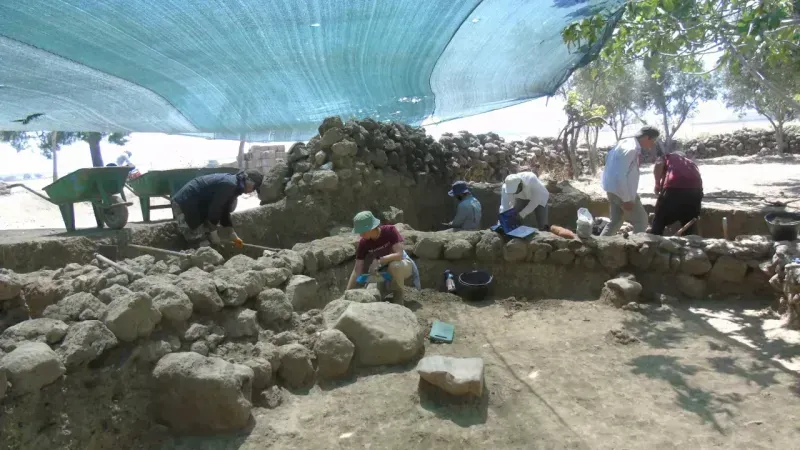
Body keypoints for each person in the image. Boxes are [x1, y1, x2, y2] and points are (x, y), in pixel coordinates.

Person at [171, 169, 263, 248]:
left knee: (207, 239)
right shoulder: (230, 185)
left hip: (196, 205)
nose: (253, 191)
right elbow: (215, 210)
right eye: (254, 188)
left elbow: (224, 210)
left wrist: (232, 233)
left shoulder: (234, 184)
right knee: (200, 244)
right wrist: (214, 233)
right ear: (249, 181)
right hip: (185, 204)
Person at [346, 211, 420, 306]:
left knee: (395, 266)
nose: (360, 235)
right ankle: (383, 295)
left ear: (371, 228)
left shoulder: (389, 231)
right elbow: (357, 269)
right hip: (382, 272)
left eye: (362, 232)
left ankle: (398, 296)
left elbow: (399, 255)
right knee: (372, 292)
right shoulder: (363, 243)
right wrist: (347, 292)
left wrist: (379, 260)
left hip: (402, 266)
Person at [599, 125, 659, 236]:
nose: (653, 144)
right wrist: (626, 199)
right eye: (653, 140)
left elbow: (609, 165)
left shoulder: (623, 144)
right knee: (641, 221)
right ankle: (636, 249)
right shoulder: (631, 149)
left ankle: (600, 246)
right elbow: (620, 175)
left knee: (615, 221)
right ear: (647, 138)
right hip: (621, 192)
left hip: (612, 189)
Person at [650, 148, 703, 236]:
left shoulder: (668, 157)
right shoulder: (691, 163)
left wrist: (657, 184)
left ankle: (654, 240)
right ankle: (689, 243)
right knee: (688, 222)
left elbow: (659, 164)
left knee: (660, 217)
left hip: (674, 188)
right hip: (696, 192)